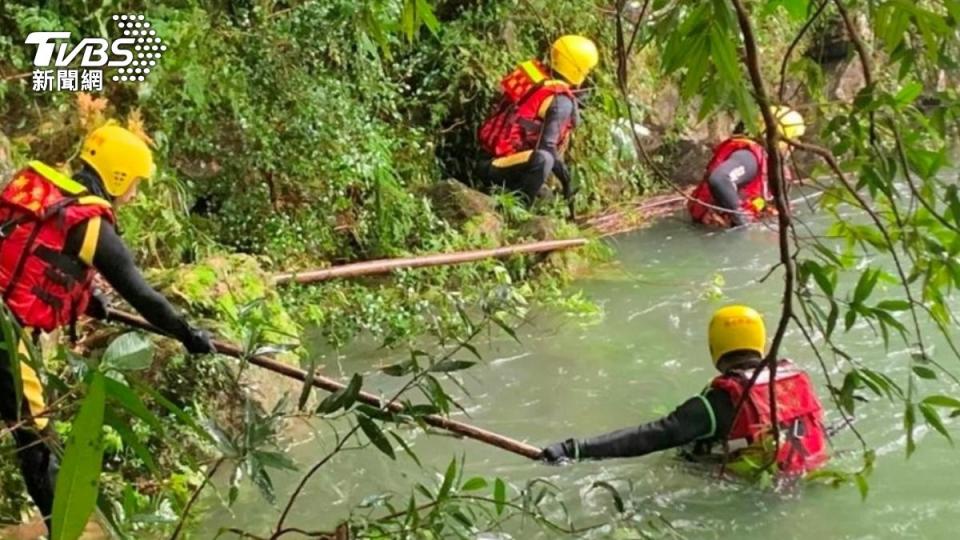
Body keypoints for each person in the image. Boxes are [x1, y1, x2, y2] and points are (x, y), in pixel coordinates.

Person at [0, 124, 216, 534]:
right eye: (134, 183)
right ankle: (63, 528)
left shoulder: (45, 191)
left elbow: (36, 254)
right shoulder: (93, 225)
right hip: (5, 333)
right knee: (37, 437)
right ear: (118, 175)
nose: (134, 194)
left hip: (6, 318)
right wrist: (187, 334)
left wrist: (84, 296)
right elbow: (145, 297)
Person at [541, 305, 828, 476]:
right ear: (761, 341)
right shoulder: (793, 379)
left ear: (714, 346)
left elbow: (652, 436)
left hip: (748, 485)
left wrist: (573, 449)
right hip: (808, 471)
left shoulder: (717, 403)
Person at [476, 35, 599, 218]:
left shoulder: (536, 80)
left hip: (488, 157)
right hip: (495, 167)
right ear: (578, 70)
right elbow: (547, 146)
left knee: (543, 165)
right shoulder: (561, 101)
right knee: (544, 159)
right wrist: (566, 181)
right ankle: (517, 215)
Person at [688, 107, 806, 227]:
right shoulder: (749, 158)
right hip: (716, 229)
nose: (796, 145)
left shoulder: (770, 164)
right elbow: (720, 179)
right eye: (794, 139)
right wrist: (741, 220)